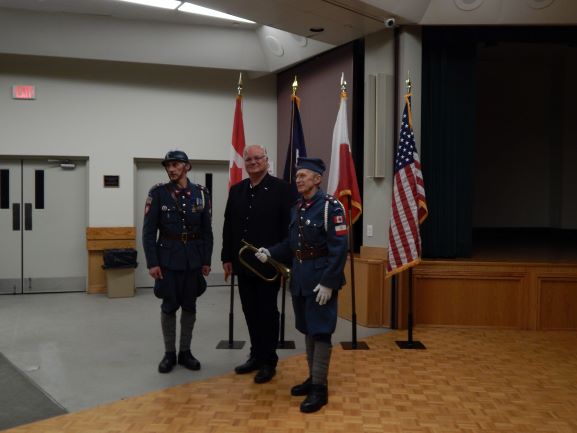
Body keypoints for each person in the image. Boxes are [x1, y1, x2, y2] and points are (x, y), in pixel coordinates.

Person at [255, 157, 348, 413]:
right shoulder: (298, 207)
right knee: (308, 329)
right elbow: (291, 244)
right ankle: (313, 377)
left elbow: (339, 249)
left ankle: (320, 387)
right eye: (297, 176)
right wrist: (270, 252)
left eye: (303, 175)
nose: (298, 179)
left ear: (317, 179)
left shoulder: (331, 207)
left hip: (320, 281)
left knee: (321, 331)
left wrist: (329, 282)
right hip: (299, 278)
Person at [221, 144, 292, 384]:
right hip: (243, 264)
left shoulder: (283, 189)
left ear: (266, 160)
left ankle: (268, 361)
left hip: (269, 265)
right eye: (249, 159)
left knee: (267, 313)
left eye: (257, 158)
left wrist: (282, 261)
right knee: (249, 311)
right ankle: (256, 355)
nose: (253, 162)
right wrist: (226, 257)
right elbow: (228, 226)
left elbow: (288, 229)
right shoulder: (237, 190)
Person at [143, 150, 213, 374]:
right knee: (169, 306)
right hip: (168, 260)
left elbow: (207, 231)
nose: (171, 169)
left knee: (190, 306)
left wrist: (206, 259)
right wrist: (152, 263)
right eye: (168, 166)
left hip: (193, 260)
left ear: (187, 167)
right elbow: (148, 232)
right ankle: (169, 353)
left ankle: (185, 351)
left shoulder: (201, 193)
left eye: (175, 165)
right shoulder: (158, 193)